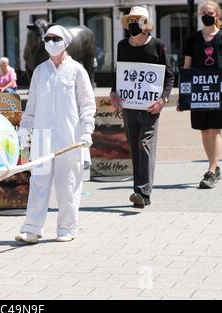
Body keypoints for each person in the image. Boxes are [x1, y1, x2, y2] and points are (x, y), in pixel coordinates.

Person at [14, 25, 96, 244]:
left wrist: (87, 130)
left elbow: (87, 104)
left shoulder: (78, 70)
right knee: (39, 184)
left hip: (69, 137)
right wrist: (24, 131)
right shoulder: (40, 71)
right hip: (41, 137)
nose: (51, 42)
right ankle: (31, 228)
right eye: (47, 38)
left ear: (65, 41)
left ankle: (67, 228)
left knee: (68, 184)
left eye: (56, 38)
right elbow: (31, 106)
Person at [110, 6, 174, 208]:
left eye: (137, 20)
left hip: (150, 107)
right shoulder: (122, 45)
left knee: (145, 145)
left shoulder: (157, 45)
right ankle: (140, 192)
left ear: (145, 24)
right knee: (134, 147)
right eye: (130, 20)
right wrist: (113, 92)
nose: (133, 24)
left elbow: (169, 75)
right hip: (128, 106)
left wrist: (163, 100)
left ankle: (142, 191)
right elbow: (118, 72)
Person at [178, 0, 222, 189]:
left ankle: (211, 170)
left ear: (217, 15)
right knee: (204, 130)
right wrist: (183, 95)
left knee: (215, 129)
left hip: (218, 91)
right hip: (198, 92)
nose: (206, 15)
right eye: (203, 12)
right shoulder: (192, 40)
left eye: (210, 12)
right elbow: (186, 68)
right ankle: (215, 165)